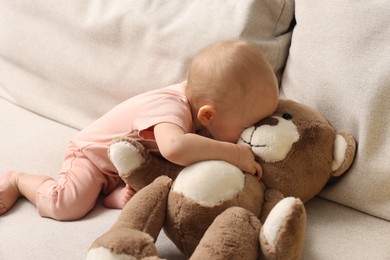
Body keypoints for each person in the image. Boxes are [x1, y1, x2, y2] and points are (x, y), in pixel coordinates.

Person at [0, 40, 279, 221]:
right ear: (208, 115)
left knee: (147, 191)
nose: (252, 132)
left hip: (128, 166)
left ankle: (113, 196)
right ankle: (19, 181)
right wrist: (235, 154)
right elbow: (174, 149)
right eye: (248, 126)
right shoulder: (170, 107)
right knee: (67, 206)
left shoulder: (206, 111)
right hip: (93, 158)